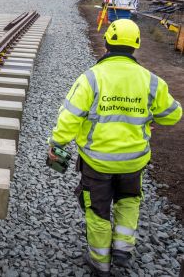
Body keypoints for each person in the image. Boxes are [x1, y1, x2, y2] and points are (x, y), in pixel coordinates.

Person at [48, 19, 181, 276]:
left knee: (97, 210)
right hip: (133, 162)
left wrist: (57, 143)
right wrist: (149, 117)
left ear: (107, 43)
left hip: (97, 163)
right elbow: (173, 115)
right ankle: (122, 248)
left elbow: (69, 118)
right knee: (129, 201)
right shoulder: (150, 81)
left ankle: (100, 262)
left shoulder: (91, 79)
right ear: (136, 46)